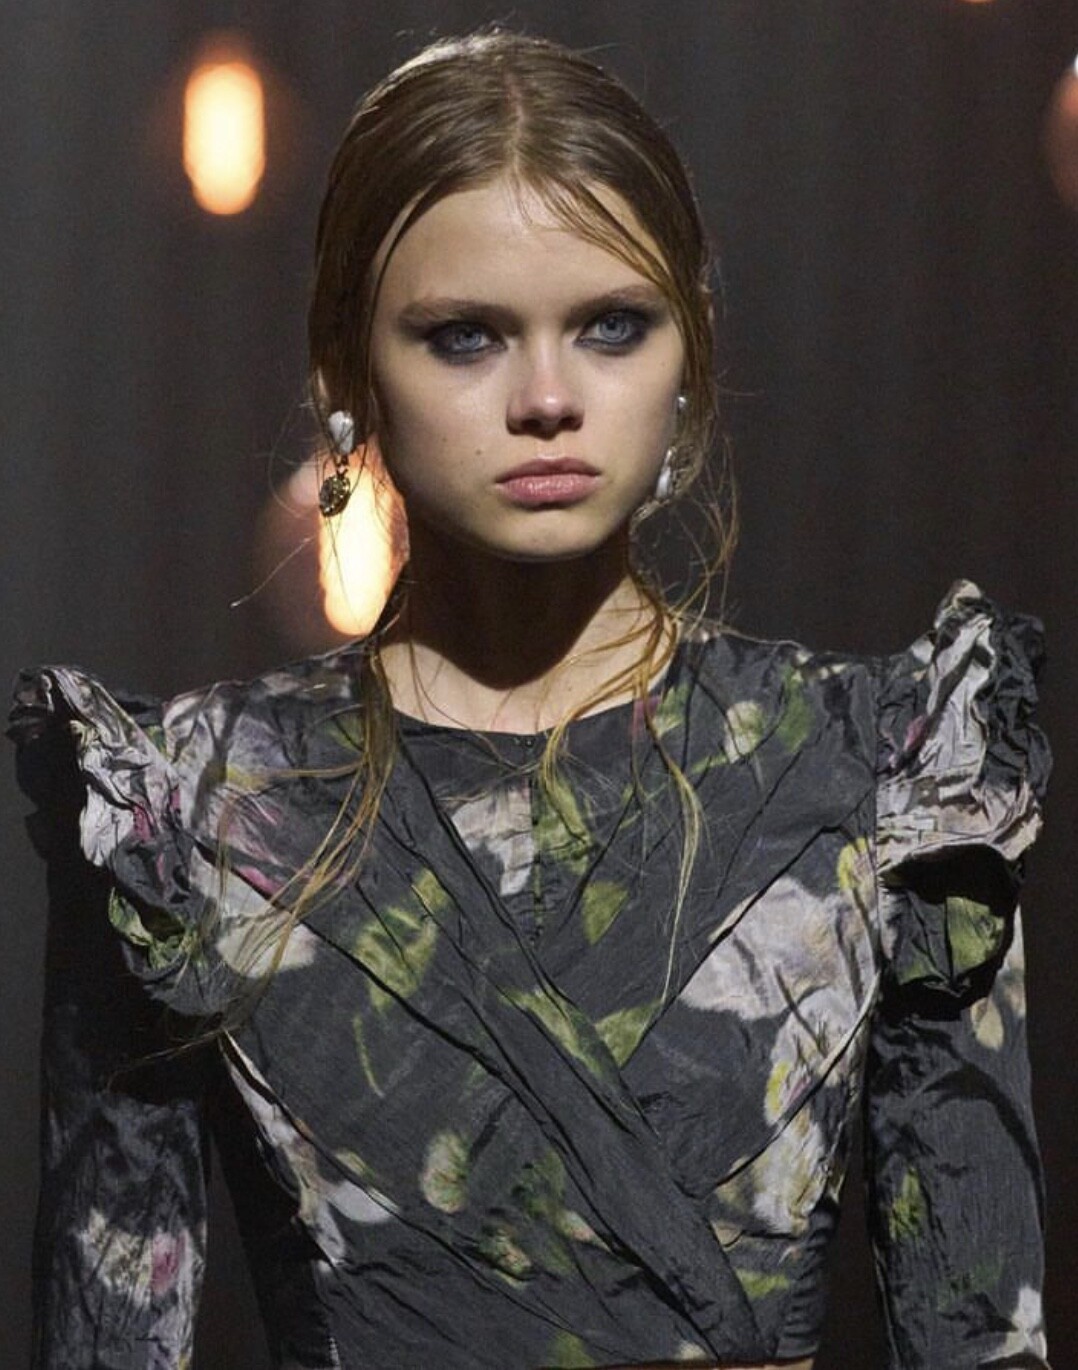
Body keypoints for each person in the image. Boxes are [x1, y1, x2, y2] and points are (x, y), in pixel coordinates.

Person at [9, 29, 1051, 1370]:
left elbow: (979, 1326)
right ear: (345, 372)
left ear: (690, 348)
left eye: (612, 325)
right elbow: (107, 1328)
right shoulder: (192, 808)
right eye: (465, 337)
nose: (549, 399)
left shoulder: (881, 771)